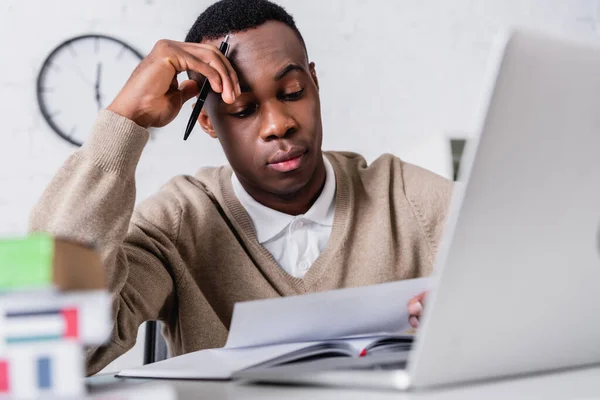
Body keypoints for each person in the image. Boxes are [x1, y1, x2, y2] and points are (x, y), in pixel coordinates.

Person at [30, 0, 451, 375]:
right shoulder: (179, 223)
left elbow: (513, 278)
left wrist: (477, 314)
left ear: (315, 83)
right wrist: (125, 121)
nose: (277, 125)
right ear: (209, 123)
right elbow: (50, 340)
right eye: (243, 109)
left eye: (292, 92)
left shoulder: (407, 198)